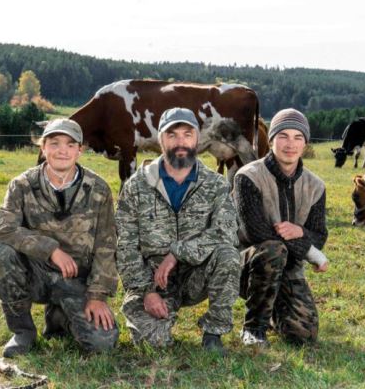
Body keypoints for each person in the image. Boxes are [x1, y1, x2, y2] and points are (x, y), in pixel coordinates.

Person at [0, 118, 119, 357]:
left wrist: (97, 296)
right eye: (55, 143)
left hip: (76, 279)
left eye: (70, 144)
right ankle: (23, 332)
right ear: (43, 147)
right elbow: (3, 230)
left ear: (80, 150)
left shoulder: (98, 189)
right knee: (2, 255)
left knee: (103, 343)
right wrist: (51, 250)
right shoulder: (22, 185)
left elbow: (106, 245)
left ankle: (59, 316)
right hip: (35, 275)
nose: (62, 151)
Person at [115, 107, 240, 354]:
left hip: (197, 273)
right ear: (160, 139)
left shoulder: (215, 184)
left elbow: (226, 233)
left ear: (197, 139)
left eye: (187, 134)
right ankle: (157, 312)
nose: (180, 142)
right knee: (152, 344)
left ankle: (214, 332)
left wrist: (177, 253)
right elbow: (125, 246)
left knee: (228, 255)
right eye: (172, 135)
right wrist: (146, 291)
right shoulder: (136, 186)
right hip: (154, 279)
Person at [233, 108, 329, 347]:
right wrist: (312, 253)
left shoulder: (316, 186)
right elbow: (256, 233)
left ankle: (274, 309)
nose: (290, 144)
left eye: (298, 137)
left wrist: (301, 232)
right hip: (246, 265)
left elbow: (319, 236)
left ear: (305, 143)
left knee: (304, 336)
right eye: (283, 136)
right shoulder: (248, 177)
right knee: (274, 249)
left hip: (288, 268)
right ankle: (254, 328)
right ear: (271, 140)